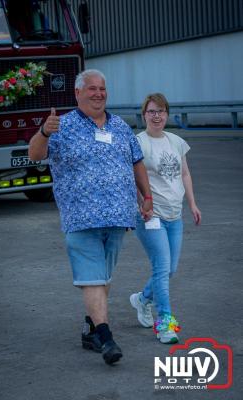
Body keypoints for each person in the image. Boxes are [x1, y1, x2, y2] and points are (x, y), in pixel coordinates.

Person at [28, 69, 153, 364]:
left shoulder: (120, 126)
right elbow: (34, 155)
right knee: (93, 278)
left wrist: (146, 197)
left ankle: (91, 328)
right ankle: (106, 338)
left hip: (119, 215)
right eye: (92, 89)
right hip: (81, 217)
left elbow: (137, 163)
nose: (98, 93)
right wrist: (44, 131)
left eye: (102, 89)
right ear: (78, 93)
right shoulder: (62, 125)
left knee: (102, 277)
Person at [129, 93, 201, 344]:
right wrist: (142, 203)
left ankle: (142, 299)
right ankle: (165, 324)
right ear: (144, 115)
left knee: (170, 269)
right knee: (161, 268)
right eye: (151, 111)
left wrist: (192, 203)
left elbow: (185, 174)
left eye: (161, 111)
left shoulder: (176, 141)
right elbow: (133, 178)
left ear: (167, 114)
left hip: (174, 216)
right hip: (151, 216)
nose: (156, 116)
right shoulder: (138, 142)